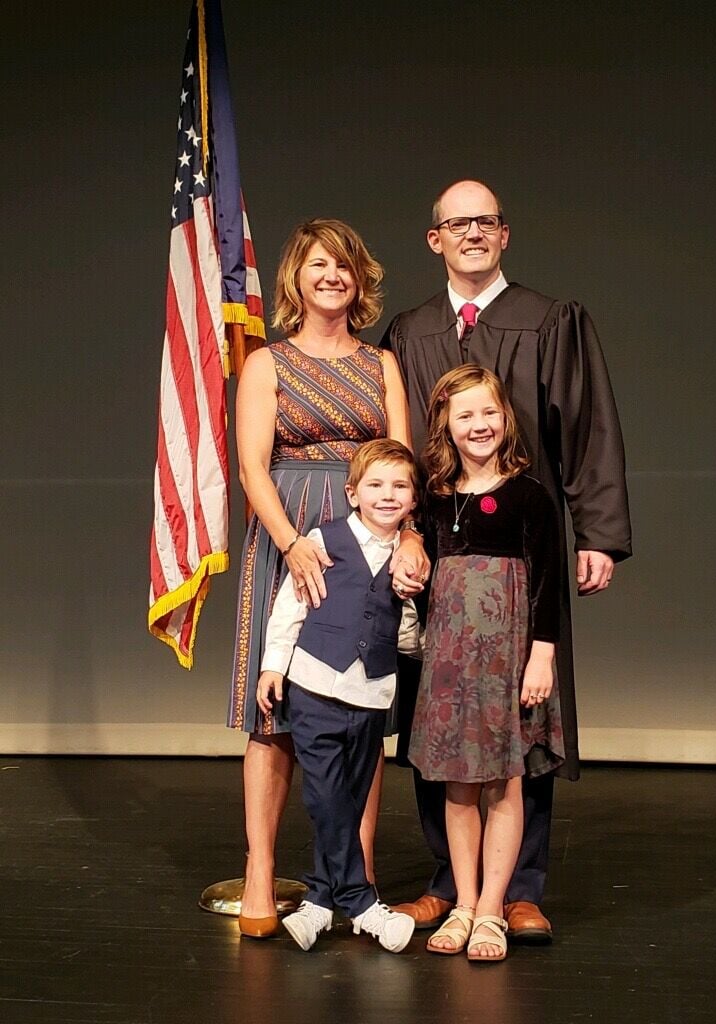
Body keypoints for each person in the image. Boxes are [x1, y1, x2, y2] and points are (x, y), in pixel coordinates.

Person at [381, 179, 632, 942]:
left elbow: (586, 429)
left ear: (504, 234)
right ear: (436, 239)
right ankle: (449, 883)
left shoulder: (547, 320)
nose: (472, 234)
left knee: (523, 714)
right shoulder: (410, 331)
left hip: (521, 559)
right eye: (458, 224)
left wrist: (596, 531)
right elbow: (394, 441)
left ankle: (518, 888)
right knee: (437, 717)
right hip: (433, 553)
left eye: (485, 222)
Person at [228, 219, 428, 938]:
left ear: (359, 279)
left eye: (343, 266)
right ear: (296, 279)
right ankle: (260, 872)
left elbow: (401, 457)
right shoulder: (267, 364)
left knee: (358, 713)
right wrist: (291, 544)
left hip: (369, 532)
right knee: (276, 711)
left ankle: (357, 875)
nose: (332, 276)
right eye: (318, 265)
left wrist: (407, 535)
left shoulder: (382, 365)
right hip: (289, 531)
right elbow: (252, 464)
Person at [409, 365, 562, 962]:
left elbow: (548, 584)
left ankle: (494, 908)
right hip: (449, 662)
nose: (479, 425)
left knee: (503, 782)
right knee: (457, 786)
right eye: (465, 415)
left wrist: (541, 657)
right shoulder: (434, 496)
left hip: (505, 658)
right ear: (446, 423)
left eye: (488, 413)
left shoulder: (529, 496)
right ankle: (466, 901)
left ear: (506, 418)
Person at [256, 439, 421, 953]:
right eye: (375, 485)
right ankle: (362, 901)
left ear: (414, 500)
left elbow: (408, 630)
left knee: (348, 797)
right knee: (324, 793)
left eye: (399, 486)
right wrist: (271, 666)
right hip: (315, 685)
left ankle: (321, 901)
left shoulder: (409, 557)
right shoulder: (324, 540)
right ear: (352, 493)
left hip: (371, 692)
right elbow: (290, 605)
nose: (387, 496)